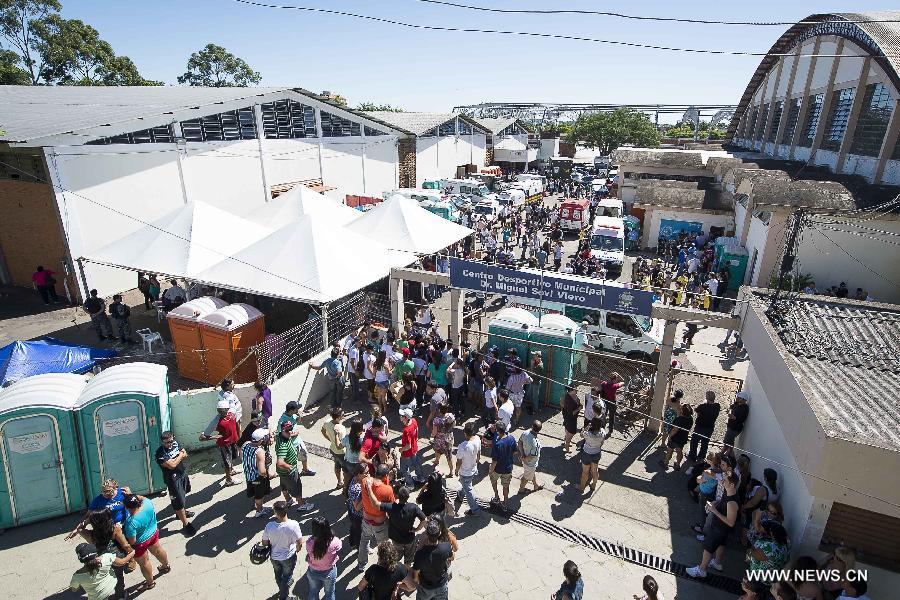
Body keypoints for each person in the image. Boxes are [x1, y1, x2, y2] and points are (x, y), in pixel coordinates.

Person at [687, 472, 740, 578]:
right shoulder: (729, 491)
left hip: (720, 529)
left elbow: (731, 522)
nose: (722, 482)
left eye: (725, 481)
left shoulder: (732, 503)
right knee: (721, 544)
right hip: (720, 529)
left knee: (708, 547)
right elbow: (722, 501)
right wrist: (715, 503)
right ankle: (717, 563)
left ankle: (702, 570)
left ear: (732, 485)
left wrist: (714, 510)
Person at [122, 493, 170, 590]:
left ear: (127, 508)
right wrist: (131, 494)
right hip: (153, 533)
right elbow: (142, 497)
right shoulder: (148, 503)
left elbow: (132, 541)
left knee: (144, 563)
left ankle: (150, 583)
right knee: (158, 550)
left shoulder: (130, 523)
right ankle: (165, 566)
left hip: (140, 543)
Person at [370, 485, 426, 566]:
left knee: (395, 557)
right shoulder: (413, 507)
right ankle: (406, 573)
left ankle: (395, 571)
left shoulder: (391, 507)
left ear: (397, 496)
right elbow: (424, 520)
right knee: (408, 560)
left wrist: (369, 488)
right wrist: (417, 529)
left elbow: (375, 504)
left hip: (396, 539)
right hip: (409, 539)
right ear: (408, 496)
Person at [154, 431, 196, 536]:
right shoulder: (160, 453)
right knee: (178, 501)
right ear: (162, 442)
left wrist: (178, 457)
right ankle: (185, 524)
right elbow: (172, 465)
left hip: (182, 474)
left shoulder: (176, 444)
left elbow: (185, 453)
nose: (170, 444)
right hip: (172, 480)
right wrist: (180, 456)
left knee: (183, 495)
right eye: (167, 442)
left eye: (171, 441)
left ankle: (181, 514)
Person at [402, 518, 454, 599]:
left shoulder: (420, 554)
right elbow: (452, 557)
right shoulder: (446, 547)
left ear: (426, 534)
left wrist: (417, 582)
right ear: (439, 533)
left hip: (426, 587)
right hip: (441, 585)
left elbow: (415, 574)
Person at [262, 500, 304, 600]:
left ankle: (282, 588)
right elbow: (299, 542)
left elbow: (264, 542)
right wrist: (297, 550)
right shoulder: (293, 525)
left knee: (278, 574)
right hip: (289, 556)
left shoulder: (269, 526)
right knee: (287, 575)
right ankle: (284, 597)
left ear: (275, 513)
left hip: (274, 556)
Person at [359, 464, 395, 572]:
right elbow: (391, 505)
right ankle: (382, 565)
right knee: (383, 546)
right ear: (386, 475)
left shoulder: (365, 481)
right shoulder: (388, 489)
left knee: (364, 541)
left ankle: (361, 564)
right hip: (380, 524)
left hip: (366, 520)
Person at [69, 542, 135, 600]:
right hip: (111, 585)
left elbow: (74, 589)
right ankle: (121, 597)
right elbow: (122, 562)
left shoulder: (77, 576)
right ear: (96, 554)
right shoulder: (107, 558)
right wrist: (132, 553)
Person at [275, 421, 316, 512]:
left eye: (290, 429)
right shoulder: (283, 446)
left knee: (284, 486)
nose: (290, 432)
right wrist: (289, 467)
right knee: (296, 487)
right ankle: (301, 504)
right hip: (289, 471)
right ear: (282, 430)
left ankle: (289, 500)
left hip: (282, 472)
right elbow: (280, 462)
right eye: (287, 431)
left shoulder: (280, 436)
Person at [200, 399, 240, 485]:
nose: (220, 413)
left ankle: (232, 470)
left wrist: (238, 437)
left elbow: (236, 423)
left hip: (233, 441)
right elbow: (202, 437)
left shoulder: (232, 413)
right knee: (226, 462)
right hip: (224, 444)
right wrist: (215, 437)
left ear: (227, 409)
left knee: (232, 458)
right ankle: (229, 480)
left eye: (222, 410)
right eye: (219, 411)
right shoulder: (216, 421)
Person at [305, 516, 341, 600]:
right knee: (329, 593)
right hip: (329, 572)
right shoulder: (334, 541)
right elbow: (340, 546)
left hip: (313, 570)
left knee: (313, 591)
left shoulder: (309, 543)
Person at [241, 428, 274, 517]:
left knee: (254, 491)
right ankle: (259, 511)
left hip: (248, 476)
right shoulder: (259, 452)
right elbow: (262, 471)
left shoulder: (246, 444)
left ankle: (260, 507)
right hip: (257, 479)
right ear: (261, 440)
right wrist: (268, 475)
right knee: (259, 494)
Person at [278, 401, 315, 476]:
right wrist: (295, 434)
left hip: (298, 441)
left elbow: (297, 422)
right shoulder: (282, 420)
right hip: (291, 444)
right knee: (291, 461)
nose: (298, 410)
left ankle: (305, 470)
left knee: (304, 453)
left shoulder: (293, 415)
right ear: (291, 410)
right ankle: (290, 476)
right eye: (297, 409)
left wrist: (299, 417)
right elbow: (281, 434)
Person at [489, 420, 517, 512]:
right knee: (506, 486)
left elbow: (494, 461)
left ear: (497, 431)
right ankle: (505, 504)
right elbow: (515, 452)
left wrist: (490, 470)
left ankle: (496, 497)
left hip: (497, 469)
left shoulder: (497, 444)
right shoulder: (512, 438)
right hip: (508, 468)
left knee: (494, 481)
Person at [455, 422, 482, 517]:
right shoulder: (478, 439)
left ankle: (475, 510)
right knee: (466, 485)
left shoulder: (463, 446)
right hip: (473, 469)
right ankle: (460, 495)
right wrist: (477, 462)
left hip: (465, 472)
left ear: (465, 433)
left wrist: (456, 470)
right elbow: (479, 453)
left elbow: (459, 461)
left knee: (469, 491)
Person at [578, 417, 610, 493]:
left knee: (585, 472)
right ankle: (593, 485)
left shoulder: (588, 433)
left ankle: (582, 487)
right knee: (594, 471)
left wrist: (586, 427)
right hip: (596, 453)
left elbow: (581, 435)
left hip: (587, 453)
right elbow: (602, 442)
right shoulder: (602, 432)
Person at [688, 391, 720, 463]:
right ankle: (701, 457)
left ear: (707, 398)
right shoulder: (717, 406)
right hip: (709, 428)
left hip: (699, 427)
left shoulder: (702, 406)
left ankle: (692, 456)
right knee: (705, 443)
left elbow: (696, 410)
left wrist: (703, 403)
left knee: (694, 442)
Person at [661, 404, 693, 470]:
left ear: (682, 412)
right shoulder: (690, 419)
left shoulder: (678, 419)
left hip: (675, 438)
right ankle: (677, 465)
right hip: (683, 438)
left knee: (669, 451)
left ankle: (665, 463)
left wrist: (670, 436)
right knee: (679, 452)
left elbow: (675, 430)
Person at [320, 407, 346, 490]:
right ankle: (346, 484)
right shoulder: (341, 429)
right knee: (345, 469)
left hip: (333, 449)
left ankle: (339, 482)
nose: (344, 415)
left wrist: (330, 439)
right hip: (342, 452)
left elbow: (323, 431)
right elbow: (342, 443)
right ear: (338, 417)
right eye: (342, 414)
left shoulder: (327, 422)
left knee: (337, 466)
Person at [398, 408, 425, 487]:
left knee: (404, 469)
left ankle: (410, 484)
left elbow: (408, 446)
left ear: (406, 418)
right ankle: (421, 478)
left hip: (407, 453)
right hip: (415, 448)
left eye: (402, 415)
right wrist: (415, 439)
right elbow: (417, 429)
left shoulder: (406, 430)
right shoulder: (413, 420)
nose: (400, 416)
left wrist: (401, 449)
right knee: (417, 463)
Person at [517, 420, 544, 494]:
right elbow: (532, 456)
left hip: (526, 462)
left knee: (531, 473)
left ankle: (536, 485)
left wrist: (522, 454)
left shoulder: (525, 433)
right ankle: (521, 490)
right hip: (530, 464)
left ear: (532, 426)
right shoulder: (536, 443)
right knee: (525, 478)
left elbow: (519, 443)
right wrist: (524, 458)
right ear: (539, 431)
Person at [430, 403, 456, 477]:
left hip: (439, 439)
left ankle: (436, 461)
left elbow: (434, 432)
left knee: (437, 450)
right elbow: (454, 424)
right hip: (449, 439)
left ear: (439, 410)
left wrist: (432, 436)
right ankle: (451, 472)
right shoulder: (451, 416)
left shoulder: (437, 420)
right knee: (449, 456)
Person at [560, 386, 582, 454]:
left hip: (568, 417)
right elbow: (572, 413)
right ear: (571, 390)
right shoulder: (568, 399)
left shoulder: (572, 395)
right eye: (575, 389)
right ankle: (567, 447)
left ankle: (567, 442)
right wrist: (579, 408)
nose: (577, 390)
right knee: (571, 432)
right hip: (570, 418)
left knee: (567, 429)